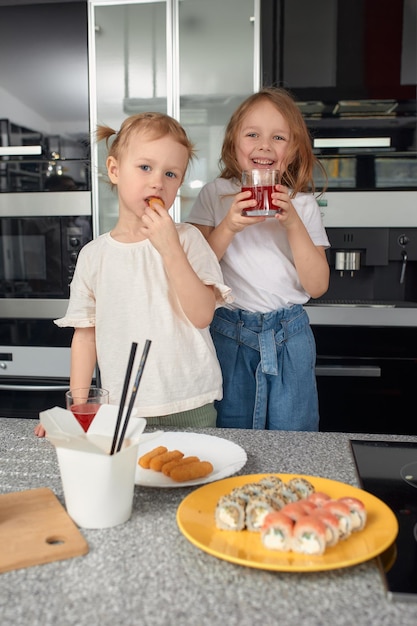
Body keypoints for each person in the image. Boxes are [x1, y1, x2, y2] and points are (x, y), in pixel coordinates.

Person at [34, 112, 232, 437]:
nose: (158, 181)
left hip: (190, 405)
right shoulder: (93, 256)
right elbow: (85, 336)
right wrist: (79, 409)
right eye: (145, 167)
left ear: (179, 184)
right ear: (114, 170)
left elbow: (201, 316)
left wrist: (170, 248)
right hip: (122, 414)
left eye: (170, 173)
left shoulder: (188, 240)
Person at [187, 87, 330, 431]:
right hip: (229, 333)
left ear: (292, 150)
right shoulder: (215, 195)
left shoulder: (304, 204)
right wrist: (229, 226)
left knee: (295, 438)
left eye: (278, 137)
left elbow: (318, 285)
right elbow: (191, 272)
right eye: (252, 134)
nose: (264, 145)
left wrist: (293, 221)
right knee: (232, 437)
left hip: (289, 336)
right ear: (234, 144)